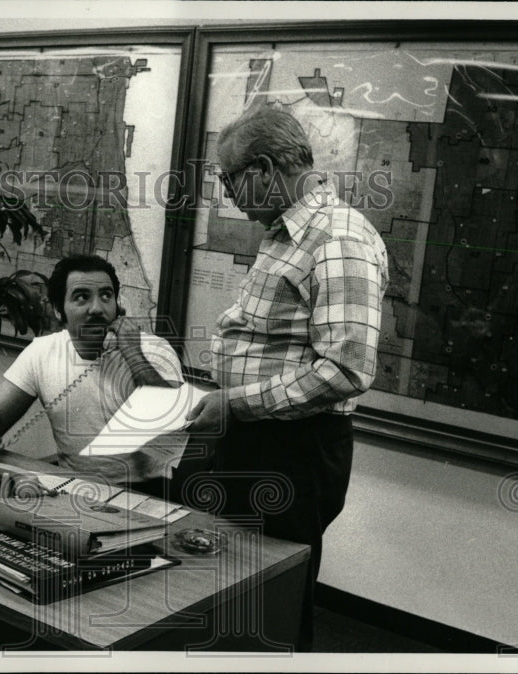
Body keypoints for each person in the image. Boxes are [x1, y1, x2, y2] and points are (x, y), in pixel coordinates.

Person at [183, 107, 389, 651]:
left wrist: (236, 405)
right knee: (231, 592)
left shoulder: (338, 238)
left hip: (292, 451)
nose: (228, 195)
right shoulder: (288, 234)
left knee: (270, 601)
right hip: (258, 439)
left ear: (265, 168)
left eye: (229, 179)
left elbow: (346, 368)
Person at [0, 254, 183, 488]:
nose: (97, 308)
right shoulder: (42, 352)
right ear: (57, 310)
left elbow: (175, 427)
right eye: (81, 297)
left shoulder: (154, 350)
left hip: (148, 492)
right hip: (72, 486)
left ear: (118, 306)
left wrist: (133, 353)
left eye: (106, 296)